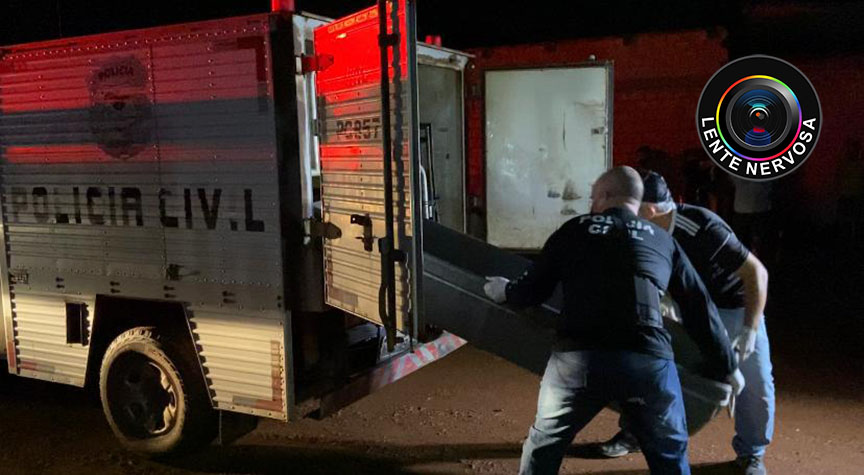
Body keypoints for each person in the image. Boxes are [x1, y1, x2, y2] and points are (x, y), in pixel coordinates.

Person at [484, 166, 742, 475]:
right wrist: (727, 366)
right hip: (648, 363)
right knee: (670, 454)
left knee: (545, 444)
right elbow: (699, 309)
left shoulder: (574, 229)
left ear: (606, 195)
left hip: (579, 360)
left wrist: (505, 291)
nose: (591, 204)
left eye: (594, 197)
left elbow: (532, 290)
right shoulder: (663, 240)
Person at [597, 171, 773, 475]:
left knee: (756, 384)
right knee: (646, 365)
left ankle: (751, 453)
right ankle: (635, 431)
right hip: (684, 306)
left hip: (731, 307)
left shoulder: (702, 227)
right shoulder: (637, 229)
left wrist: (750, 330)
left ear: (650, 210)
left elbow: (756, 273)